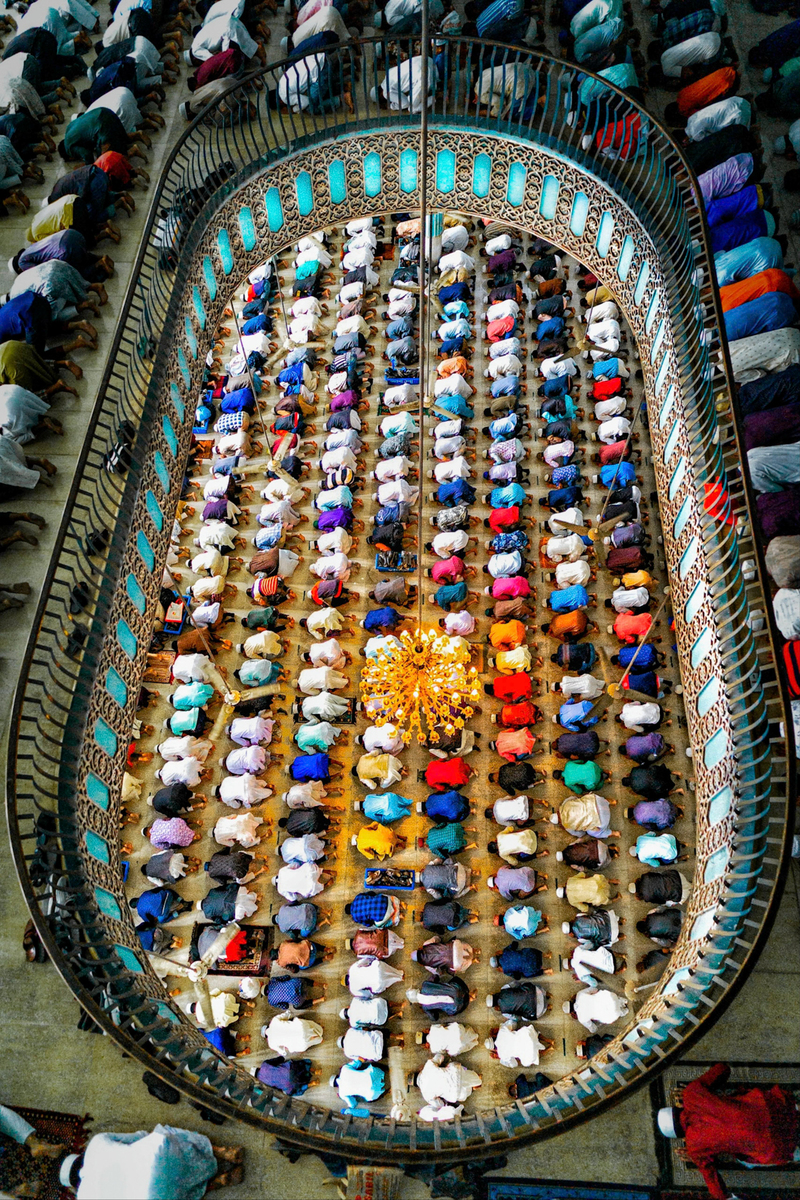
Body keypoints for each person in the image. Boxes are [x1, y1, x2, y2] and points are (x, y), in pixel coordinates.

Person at [656, 1063, 799, 1200]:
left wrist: (726, 1197)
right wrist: (707, 1093)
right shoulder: (691, 1094)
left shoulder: (693, 1148)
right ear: (676, 1108)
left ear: (679, 1135)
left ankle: (797, 1153)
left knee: (746, 1160)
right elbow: (723, 1069)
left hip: (771, 1144)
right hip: (771, 1107)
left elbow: (713, 1180)